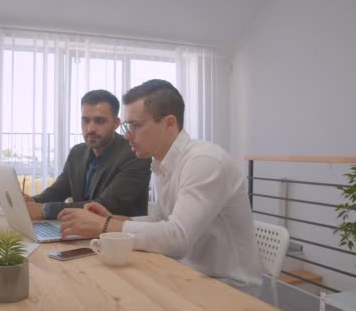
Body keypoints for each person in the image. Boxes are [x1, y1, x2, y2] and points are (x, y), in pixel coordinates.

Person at [57, 79, 262, 293]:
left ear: (169, 123)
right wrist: (110, 218)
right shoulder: (161, 163)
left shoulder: (205, 161)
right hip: (187, 273)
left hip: (230, 287)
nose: (127, 135)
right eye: (127, 126)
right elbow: (159, 221)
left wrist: (103, 226)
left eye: (135, 126)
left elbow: (176, 238)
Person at [24, 89, 152, 220]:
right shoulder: (77, 152)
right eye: (85, 121)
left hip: (116, 236)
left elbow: (106, 206)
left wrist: (46, 210)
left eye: (99, 121)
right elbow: (58, 191)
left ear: (116, 123)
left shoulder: (134, 153)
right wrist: (32, 202)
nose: (90, 128)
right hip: (79, 231)